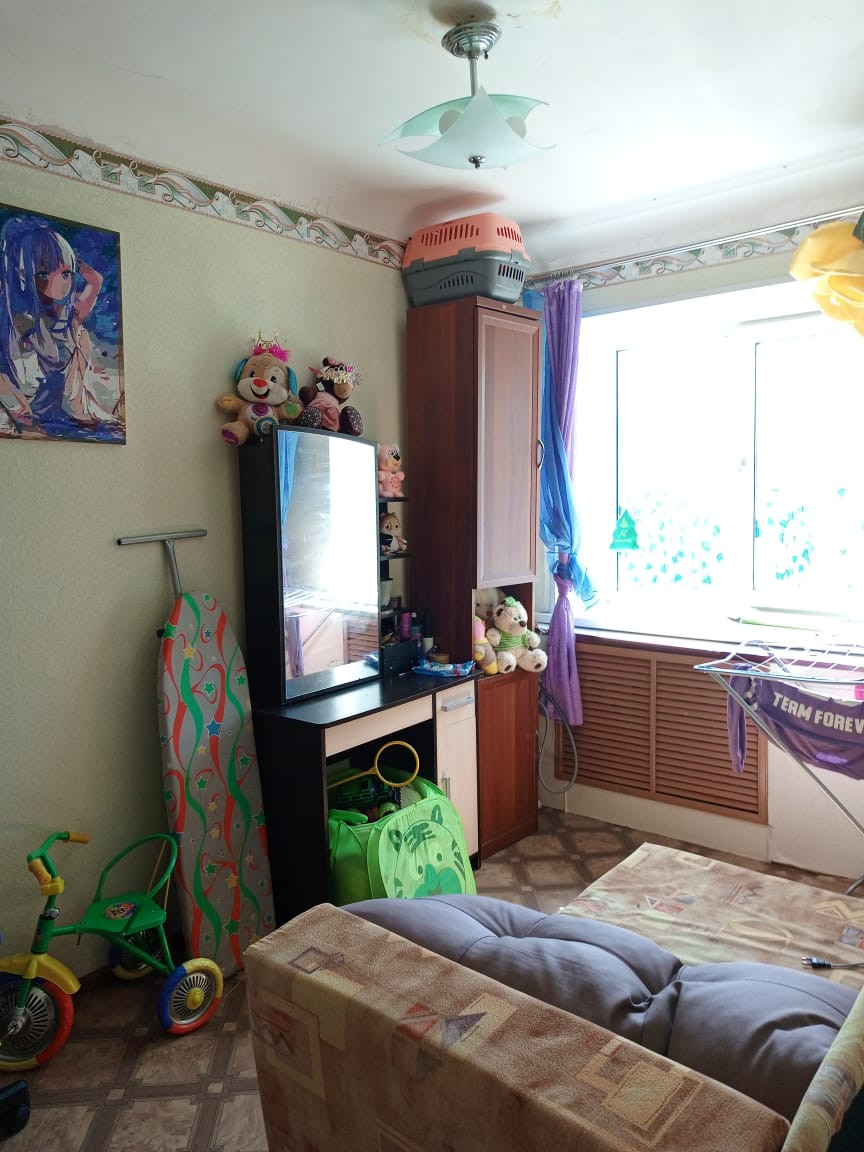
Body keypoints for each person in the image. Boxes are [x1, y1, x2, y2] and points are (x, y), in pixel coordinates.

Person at [0, 215, 118, 427]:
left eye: (65, 274)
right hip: (37, 406)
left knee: (80, 335)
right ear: (24, 275)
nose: (62, 283)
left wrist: (71, 260)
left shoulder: (69, 315)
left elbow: (95, 280)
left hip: (69, 406)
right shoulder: (21, 319)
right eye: (43, 274)